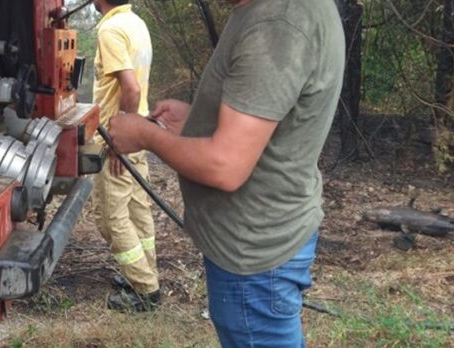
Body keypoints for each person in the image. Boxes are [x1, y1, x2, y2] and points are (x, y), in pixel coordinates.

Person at [107, 0, 345, 345]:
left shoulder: (277, 22)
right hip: (257, 242)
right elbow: (266, 124)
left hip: (253, 256)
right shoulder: (271, 12)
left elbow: (226, 166)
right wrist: (195, 119)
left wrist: (146, 136)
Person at [90, 0, 160, 311]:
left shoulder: (110, 28)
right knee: (137, 210)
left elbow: (130, 89)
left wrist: (120, 141)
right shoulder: (136, 23)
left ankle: (146, 290)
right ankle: (144, 273)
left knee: (111, 217)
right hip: (139, 130)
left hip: (117, 139)